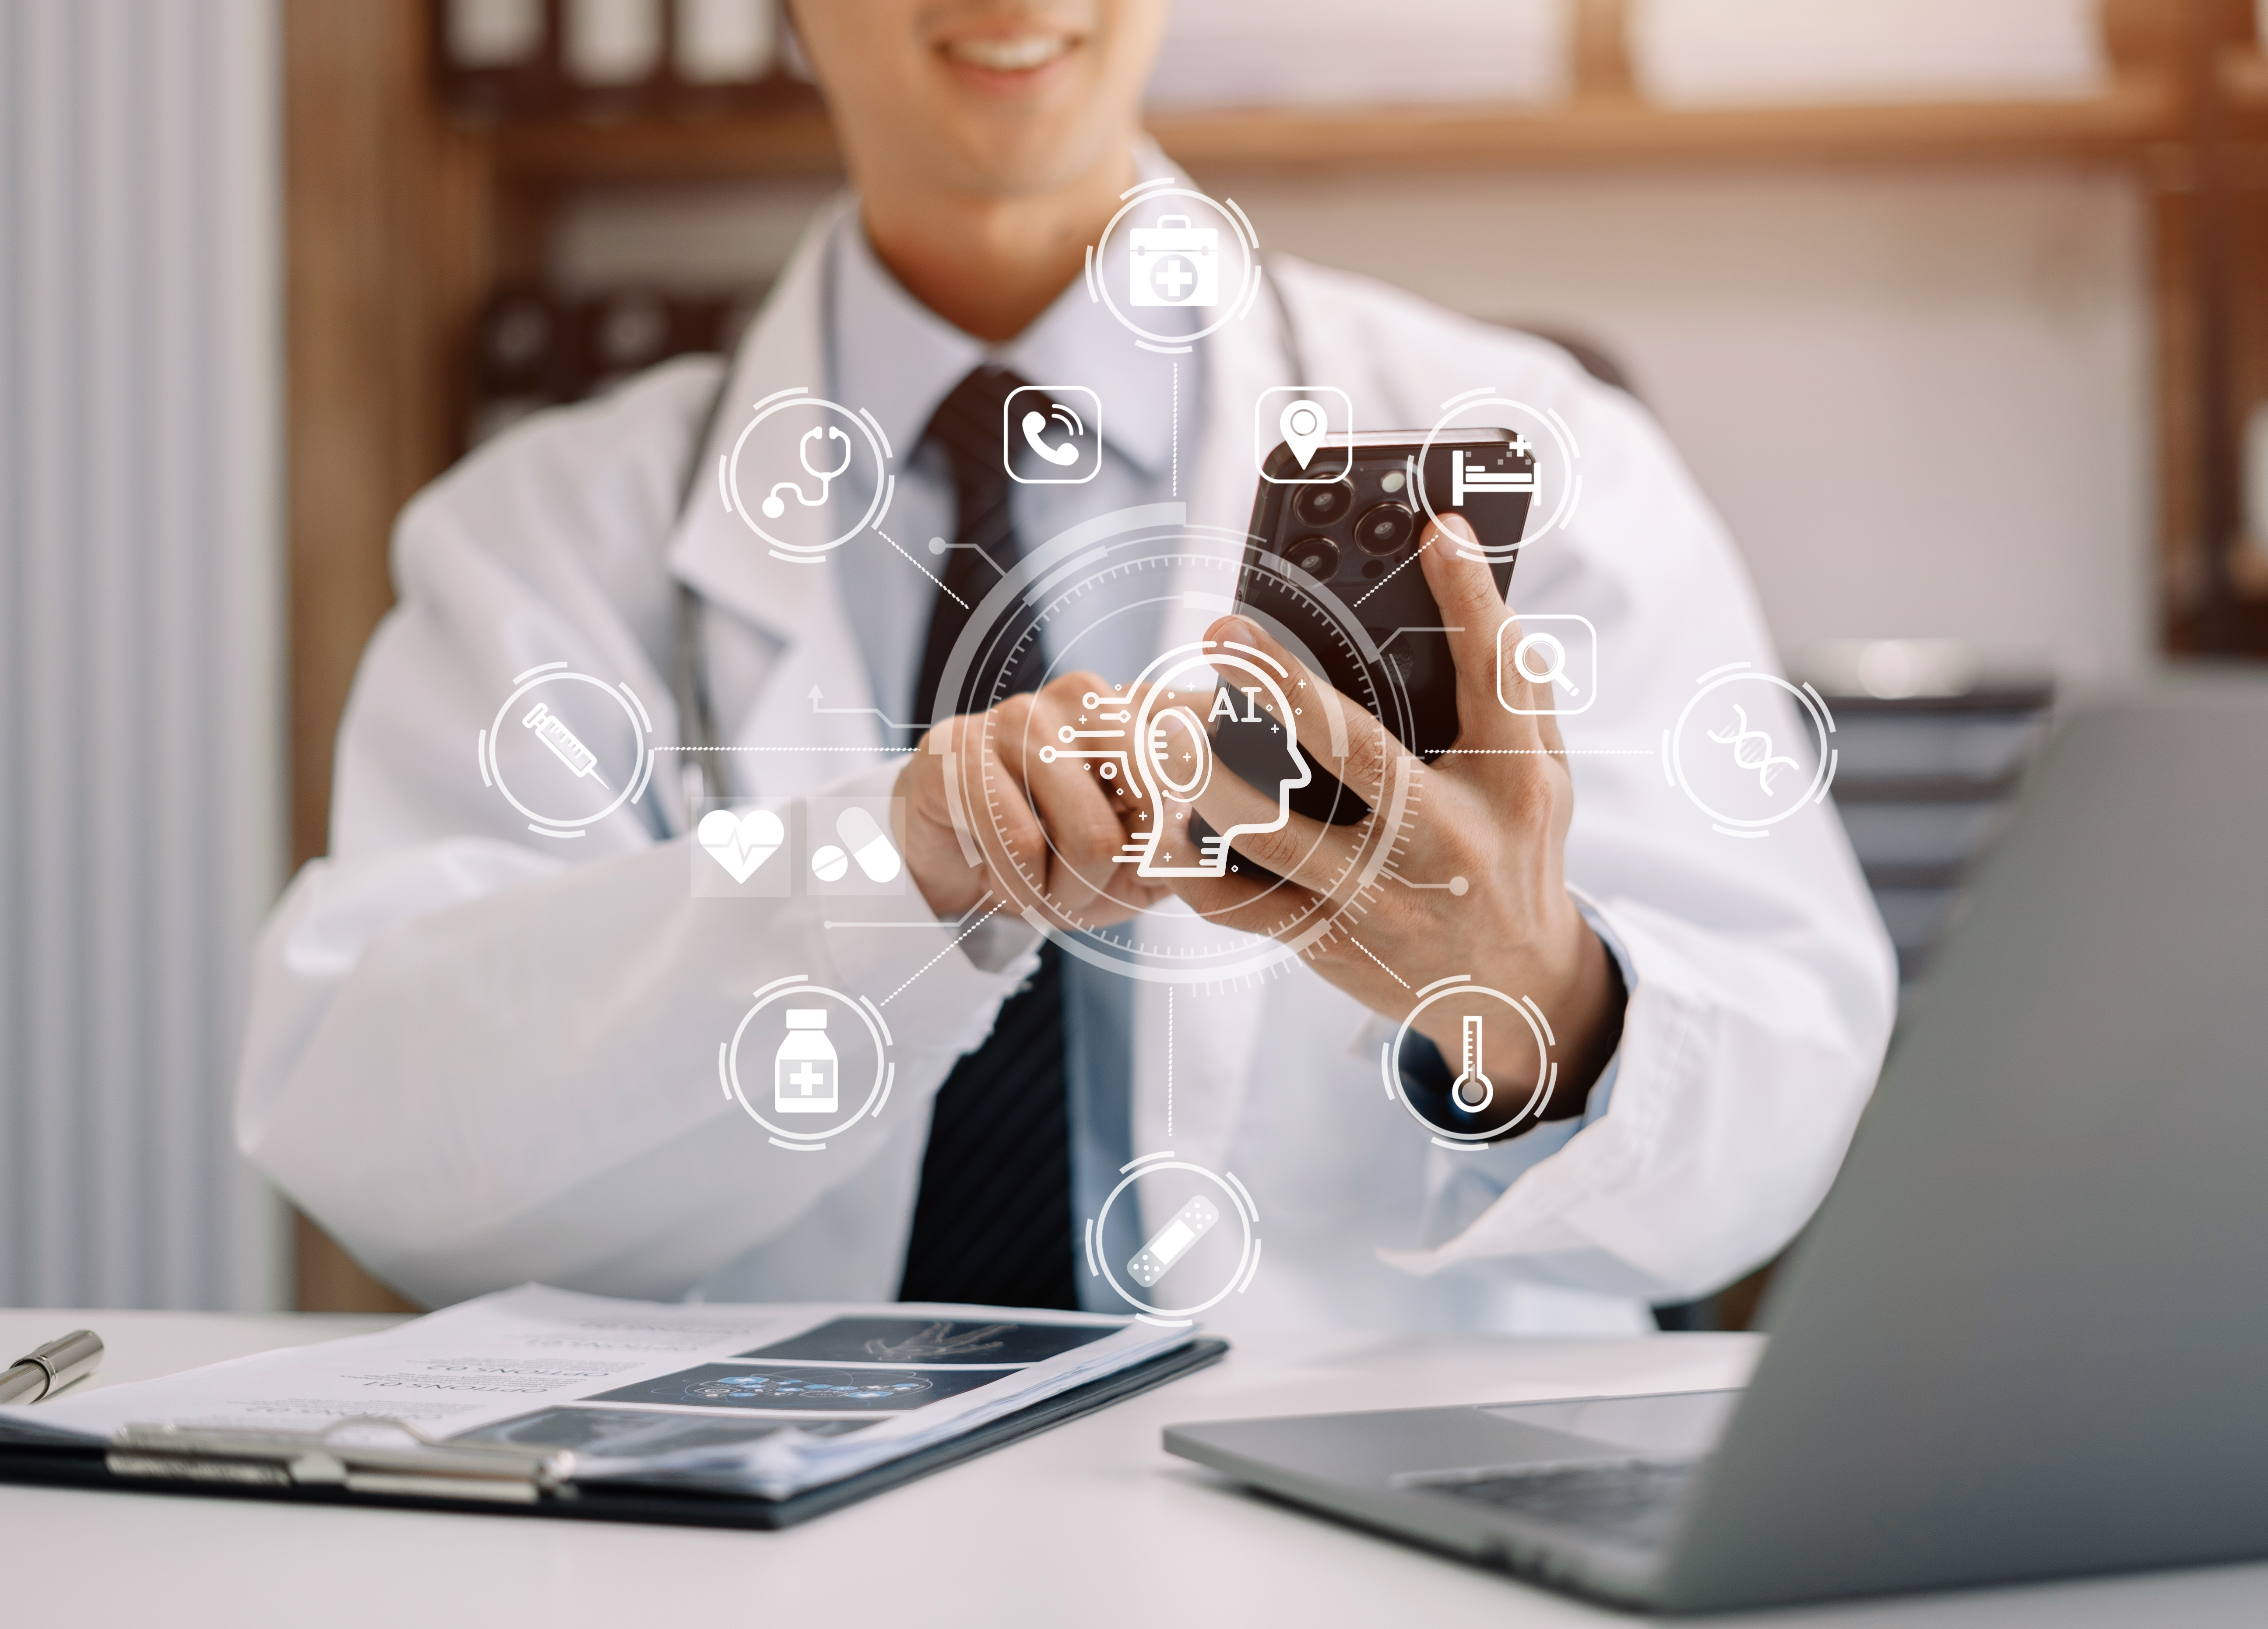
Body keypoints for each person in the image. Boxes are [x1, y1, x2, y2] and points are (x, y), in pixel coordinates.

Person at [236, 0, 1895, 1329]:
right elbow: (382, 1128)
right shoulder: (544, 536)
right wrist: (887, 880)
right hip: (772, 1560)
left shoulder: (1534, 453)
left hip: (1364, 1538)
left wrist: (1540, 997)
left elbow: (1781, 1102)